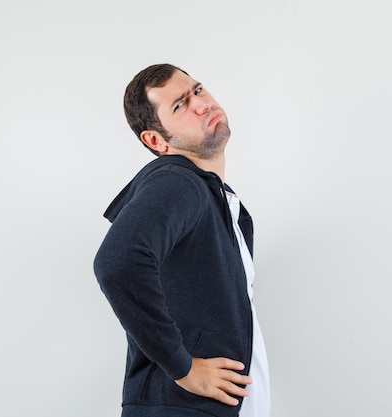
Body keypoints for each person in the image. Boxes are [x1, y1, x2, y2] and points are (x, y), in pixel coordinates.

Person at [94, 64, 270, 417]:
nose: (201, 104)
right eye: (180, 105)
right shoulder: (178, 181)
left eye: (198, 90)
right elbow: (117, 263)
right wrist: (184, 368)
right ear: (156, 141)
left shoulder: (215, 199)